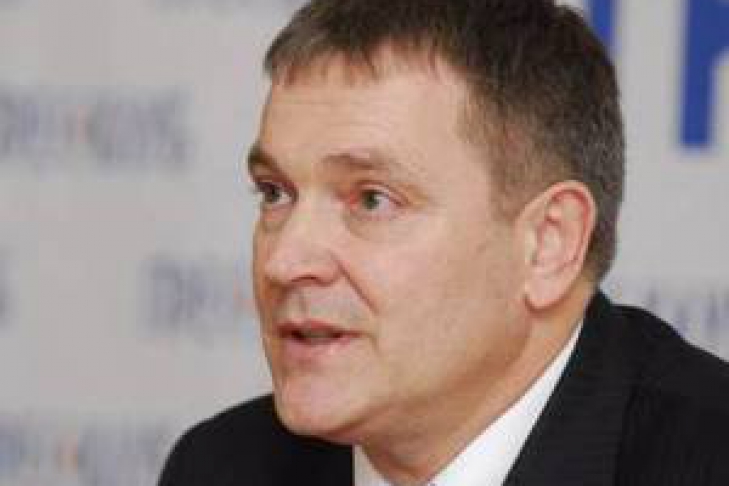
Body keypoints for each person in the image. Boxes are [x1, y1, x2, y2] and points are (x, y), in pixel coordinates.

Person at [158, 0, 729, 484]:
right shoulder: (224, 467)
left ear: (548, 245)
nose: (284, 262)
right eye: (275, 193)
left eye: (372, 200)